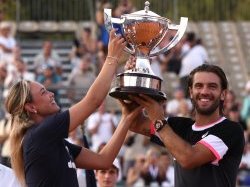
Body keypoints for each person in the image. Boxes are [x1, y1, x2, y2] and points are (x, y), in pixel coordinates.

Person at [4, 29, 143, 187]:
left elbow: (104, 161)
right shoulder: (40, 134)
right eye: (43, 92)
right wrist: (112, 58)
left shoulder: (52, 140)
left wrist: (127, 117)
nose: (51, 94)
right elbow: (93, 101)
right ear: (31, 107)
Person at [127, 63, 245, 187]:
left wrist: (159, 121)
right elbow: (134, 122)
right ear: (191, 92)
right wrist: (132, 84)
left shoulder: (230, 129)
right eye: (198, 86)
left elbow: (188, 159)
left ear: (223, 94)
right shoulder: (178, 126)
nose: (204, 91)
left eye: (212, 86)